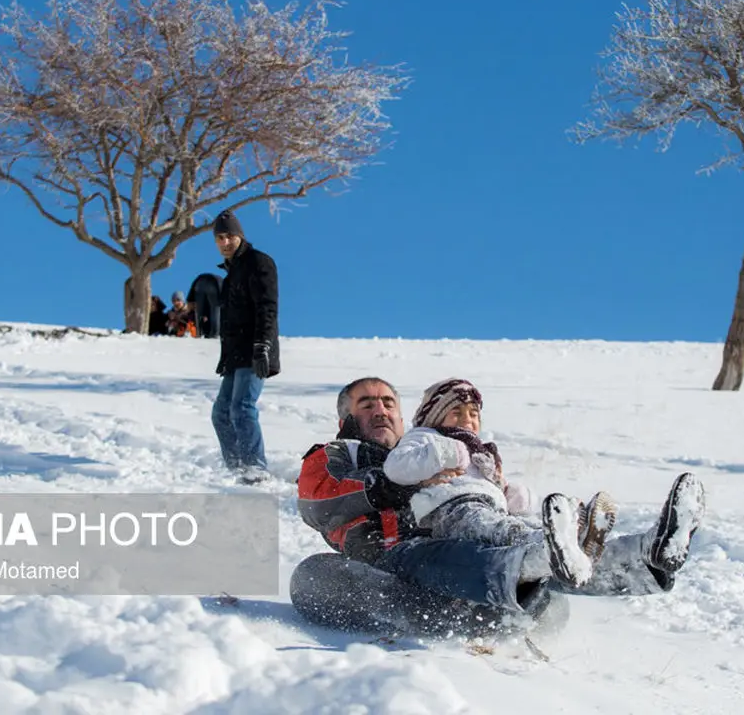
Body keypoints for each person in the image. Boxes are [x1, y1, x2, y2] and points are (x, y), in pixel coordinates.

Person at [297, 376, 705, 616]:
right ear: (345, 418)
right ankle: (523, 572)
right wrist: (392, 484)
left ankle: (643, 559)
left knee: (530, 550)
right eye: (367, 404)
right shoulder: (338, 454)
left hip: (462, 559)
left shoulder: (428, 449)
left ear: (404, 417)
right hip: (389, 564)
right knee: (311, 576)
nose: (382, 410)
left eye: (389, 402)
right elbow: (319, 501)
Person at [383, 378, 613, 587]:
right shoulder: (424, 436)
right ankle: (552, 543)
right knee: (499, 529)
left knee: (511, 523)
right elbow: (395, 467)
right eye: (456, 411)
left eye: (473, 414)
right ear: (434, 415)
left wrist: (511, 494)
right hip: (449, 508)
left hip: (488, 505)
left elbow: (495, 486)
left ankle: (573, 540)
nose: (467, 419)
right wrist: (445, 452)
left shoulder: (481, 453)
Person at [210, 209, 280, 484]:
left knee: (242, 408)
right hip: (235, 355)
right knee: (220, 413)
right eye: (220, 238)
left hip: (255, 351)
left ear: (240, 236)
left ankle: (255, 469)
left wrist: (262, 345)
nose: (225, 243)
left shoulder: (259, 263)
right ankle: (236, 467)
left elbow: (268, 307)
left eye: (229, 236)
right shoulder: (230, 273)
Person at [187, 273, 223, 339]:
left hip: (199, 283)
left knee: (199, 314)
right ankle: (214, 335)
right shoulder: (222, 281)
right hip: (214, 284)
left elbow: (190, 303)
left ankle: (199, 333)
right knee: (215, 312)